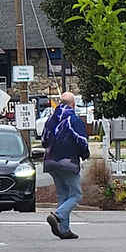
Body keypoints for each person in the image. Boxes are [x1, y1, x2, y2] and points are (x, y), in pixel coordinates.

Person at [42, 91, 89, 240]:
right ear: (73, 104)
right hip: (68, 162)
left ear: (60, 103)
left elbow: (43, 140)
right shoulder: (74, 120)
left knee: (63, 195)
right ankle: (58, 215)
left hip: (50, 162)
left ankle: (64, 229)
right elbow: (82, 142)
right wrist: (84, 154)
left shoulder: (49, 120)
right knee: (76, 195)